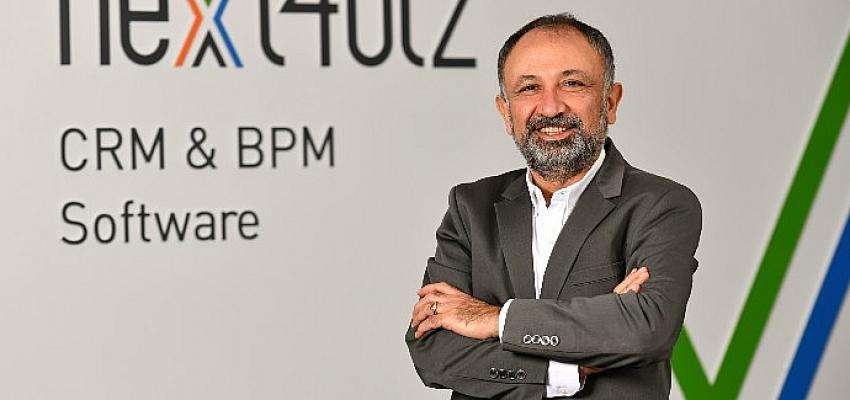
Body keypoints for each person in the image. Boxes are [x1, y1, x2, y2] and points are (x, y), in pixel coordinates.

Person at [405, 13, 702, 400]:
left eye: (572, 83)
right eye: (529, 88)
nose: (549, 107)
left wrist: (495, 319)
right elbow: (433, 350)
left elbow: (647, 327)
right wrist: (570, 368)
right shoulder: (470, 208)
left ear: (610, 102)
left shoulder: (660, 205)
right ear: (506, 112)